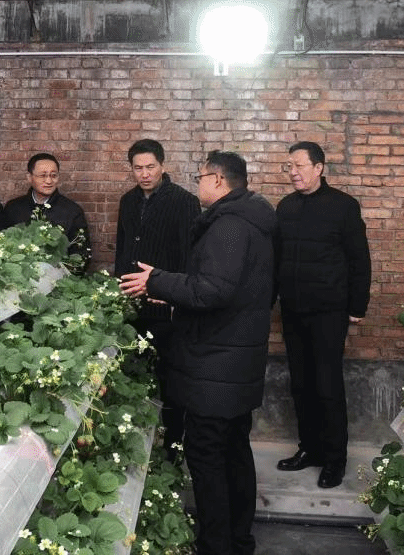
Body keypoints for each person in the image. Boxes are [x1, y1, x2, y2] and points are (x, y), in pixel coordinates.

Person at [119, 150, 276, 555]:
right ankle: (239, 540)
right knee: (234, 451)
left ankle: (216, 545)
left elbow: (213, 289)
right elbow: (226, 289)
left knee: (208, 456)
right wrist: (174, 294)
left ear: (219, 180)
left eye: (201, 176)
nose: (198, 183)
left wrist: (158, 281)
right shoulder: (251, 220)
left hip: (216, 365)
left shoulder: (229, 226)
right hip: (234, 358)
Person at [275, 141, 371, 489]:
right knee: (300, 384)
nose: (293, 172)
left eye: (299, 165)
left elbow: (359, 259)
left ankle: (334, 459)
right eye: (289, 166)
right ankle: (309, 449)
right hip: (293, 310)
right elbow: (275, 259)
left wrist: (357, 306)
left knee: (327, 385)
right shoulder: (285, 207)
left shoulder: (343, 206)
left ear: (319, 168)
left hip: (329, 312)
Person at [114, 138, 201, 454]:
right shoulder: (128, 201)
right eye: (138, 168)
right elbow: (123, 250)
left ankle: (174, 448)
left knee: (172, 383)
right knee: (134, 377)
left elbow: (190, 257)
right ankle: (136, 448)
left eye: (150, 166)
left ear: (163, 165)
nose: (145, 173)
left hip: (167, 309)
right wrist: (120, 291)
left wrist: (176, 297)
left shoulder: (184, 202)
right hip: (133, 308)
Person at [5, 152, 92, 273]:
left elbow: (81, 255)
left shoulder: (72, 211)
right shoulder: (13, 208)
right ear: (29, 177)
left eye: (53, 175)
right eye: (43, 175)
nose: (49, 180)